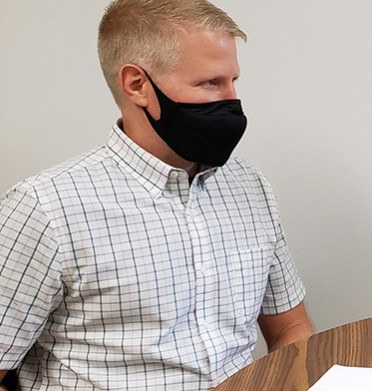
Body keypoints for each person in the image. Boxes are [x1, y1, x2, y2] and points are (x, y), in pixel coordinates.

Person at [0, 1, 314, 389]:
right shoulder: (46, 208)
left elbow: (291, 327)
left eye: (234, 81)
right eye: (210, 83)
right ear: (137, 84)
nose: (232, 102)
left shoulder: (249, 187)